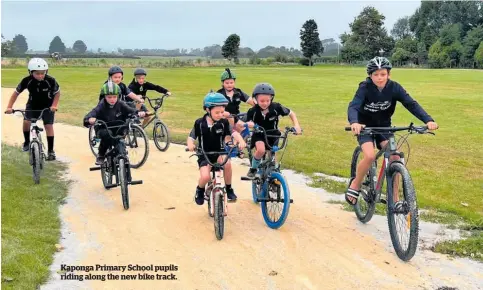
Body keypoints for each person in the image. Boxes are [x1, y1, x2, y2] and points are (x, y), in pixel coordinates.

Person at [345, 56, 439, 205]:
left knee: (395, 157)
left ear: (389, 74)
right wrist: (355, 122)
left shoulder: (395, 87)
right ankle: (356, 184)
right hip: (365, 127)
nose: (380, 78)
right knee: (369, 156)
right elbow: (354, 106)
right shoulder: (364, 87)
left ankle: (393, 198)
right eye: (376, 74)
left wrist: (428, 120)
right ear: (370, 75)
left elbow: (411, 104)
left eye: (383, 74)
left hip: (384, 126)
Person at [186, 91, 246, 205]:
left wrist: (241, 140)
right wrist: (190, 145)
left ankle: (229, 188)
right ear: (208, 110)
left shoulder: (223, 122)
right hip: (204, 153)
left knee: (227, 164)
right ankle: (200, 189)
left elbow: (233, 133)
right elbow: (191, 137)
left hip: (219, 151)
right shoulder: (199, 123)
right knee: (205, 176)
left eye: (222, 112)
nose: (220, 115)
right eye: (217, 112)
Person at [5, 58, 60, 160]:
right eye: (37, 73)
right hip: (32, 105)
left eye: (42, 73)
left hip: (48, 106)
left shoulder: (51, 80)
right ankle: (26, 142)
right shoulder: (27, 81)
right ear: (31, 72)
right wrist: (9, 107)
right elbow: (15, 93)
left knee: (48, 126)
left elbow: (57, 93)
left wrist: (54, 105)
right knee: (26, 122)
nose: (40, 76)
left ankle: (51, 151)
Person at [244, 83, 302, 178]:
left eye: (268, 100)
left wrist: (296, 126)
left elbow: (291, 113)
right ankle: (253, 169)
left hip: (273, 134)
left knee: (272, 155)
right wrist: (249, 124)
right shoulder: (253, 111)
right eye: (262, 101)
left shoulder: (276, 108)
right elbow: (242, 122)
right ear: (255, 100)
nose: (265, 103)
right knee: (261, 150)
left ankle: (273, 175)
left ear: (271, 98)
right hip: (259, 134)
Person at [86, 81, 146, 165]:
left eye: (114, 97)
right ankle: (101, 154)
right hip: (104, 127)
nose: (112, 99)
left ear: (118, 96)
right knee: (107, 135)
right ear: (104, 97)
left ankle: (124, 166)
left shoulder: (120, 103)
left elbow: (130, 110)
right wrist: (89, 119)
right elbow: (93, 113)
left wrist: (138, 113)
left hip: (118, 127)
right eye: (109, 97)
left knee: (121, 139)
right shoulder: (101, 105)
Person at [216, 68, 255, 132]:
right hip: (224, 118)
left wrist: (259, 107)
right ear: (222, 83)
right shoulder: (219, 95)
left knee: (252, 114)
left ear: (234, 82)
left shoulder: (238, 92)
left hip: (237, 116)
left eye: (231, 82)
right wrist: (224, 114)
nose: (229, 85)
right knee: (239, 130)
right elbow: (215, 110)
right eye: (227, 83)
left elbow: (251, 101)